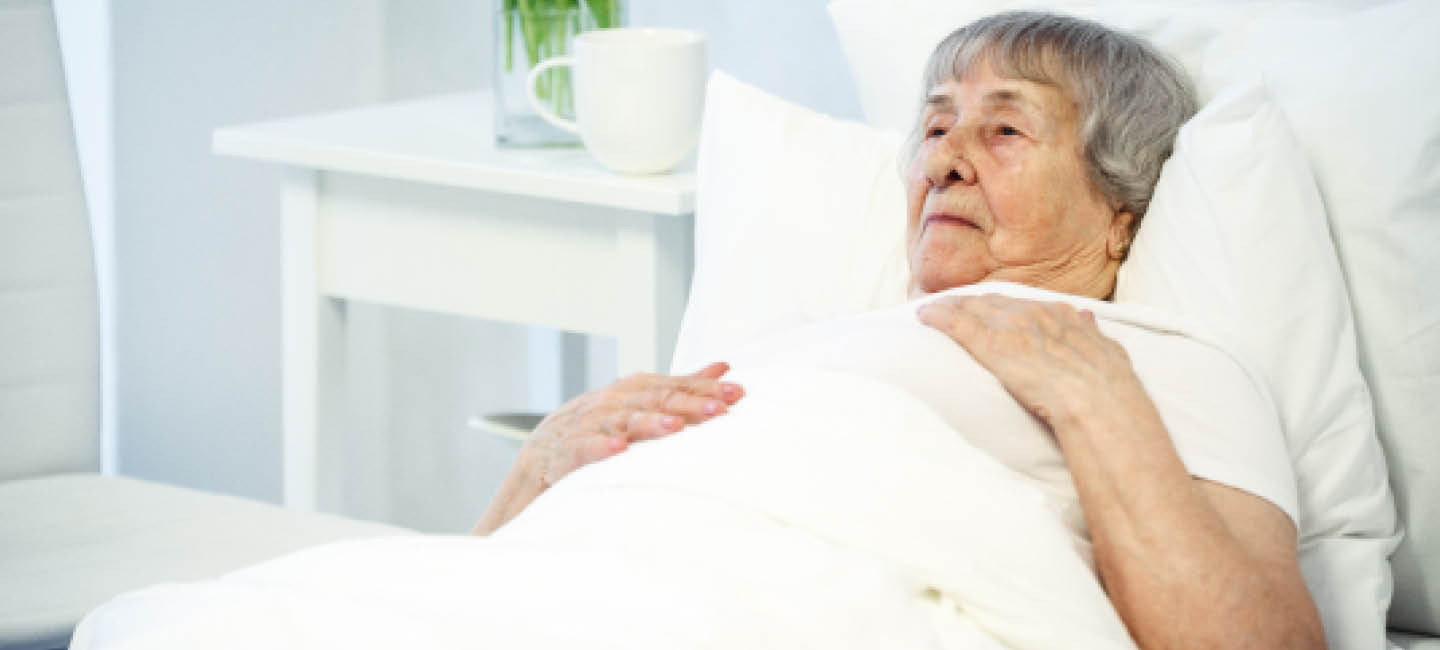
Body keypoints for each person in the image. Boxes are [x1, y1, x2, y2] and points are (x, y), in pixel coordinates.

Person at [475, 11, 1323, 649]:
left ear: (1120, 213)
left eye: (1005, 129)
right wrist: (534, 475)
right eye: (935, 126)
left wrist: (1093, 398)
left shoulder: (1162, 360)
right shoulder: (807, 337)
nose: (946, 158)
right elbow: (468, 581)